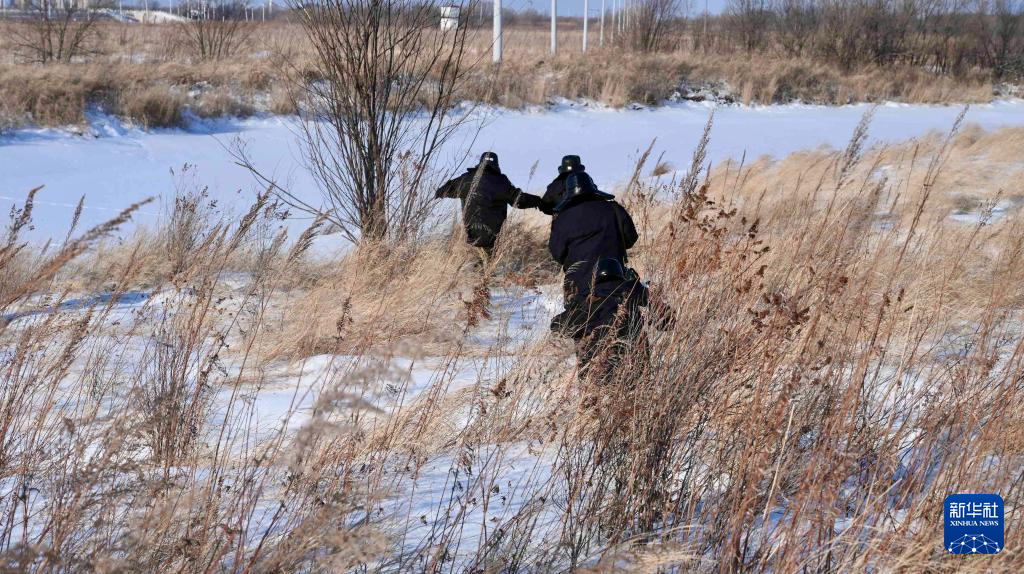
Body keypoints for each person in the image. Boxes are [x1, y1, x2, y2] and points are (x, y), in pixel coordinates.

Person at [547, 164, 638, 303]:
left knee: (579, 321)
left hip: (577, 287)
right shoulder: (613, 209)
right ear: (592, 188)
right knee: (620, 316)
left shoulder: (561, 219)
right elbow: (631, 239)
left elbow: (557, 254)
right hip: (614, 281)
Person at [550, 258, 651, 380]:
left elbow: (558, 326)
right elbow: (662, 313)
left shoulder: (588, 301)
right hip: (634, 365)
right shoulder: (633, 290)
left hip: (598, 370)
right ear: (620, 273)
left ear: (595, 277)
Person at [435, 152, 547, 256]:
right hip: (492, 238)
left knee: (473, 268)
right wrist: (538, 201)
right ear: (496, 165)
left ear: (480, 163)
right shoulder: (500, 181)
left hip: (471, 235)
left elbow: (443, 191)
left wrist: (438, 194)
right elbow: (518, 199)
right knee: (487, 267)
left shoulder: (465, 179)